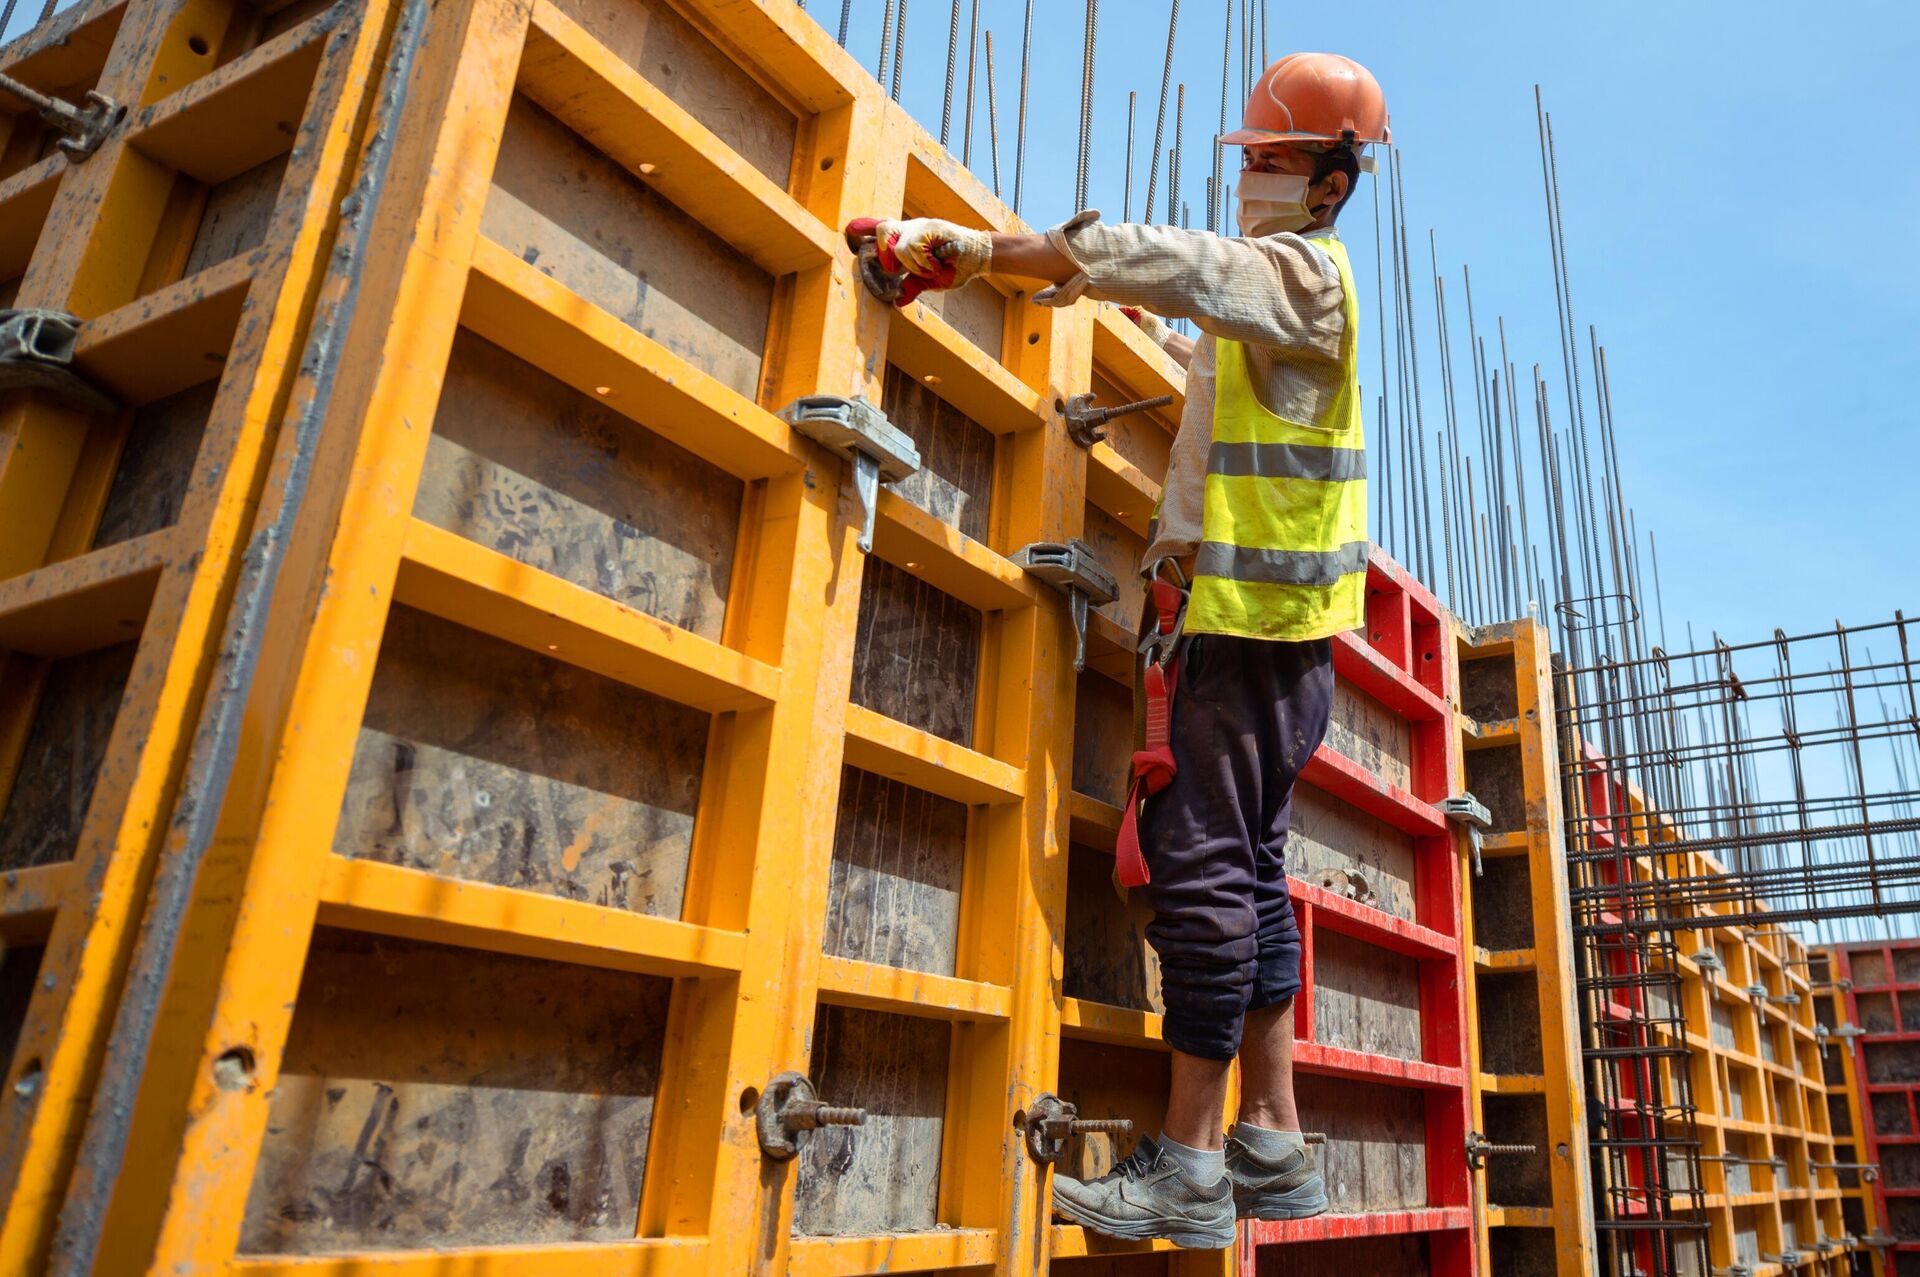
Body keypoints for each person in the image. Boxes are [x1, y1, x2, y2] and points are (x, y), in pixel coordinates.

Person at [852, 52, 1387, 1251]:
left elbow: (1194, 265)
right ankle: (1274, 1140)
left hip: (1243, 631)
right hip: (1281, 646)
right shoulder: (1296, 294)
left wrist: (986, 253)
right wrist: (1149, 315)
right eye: (1252, 156)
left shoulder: (1304, 275)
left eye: (1273, 158)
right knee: (1246, 873)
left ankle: (1192, 1166)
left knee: (1198, 872)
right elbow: (1207, 316)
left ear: (1331, 181)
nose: (1251, 174)